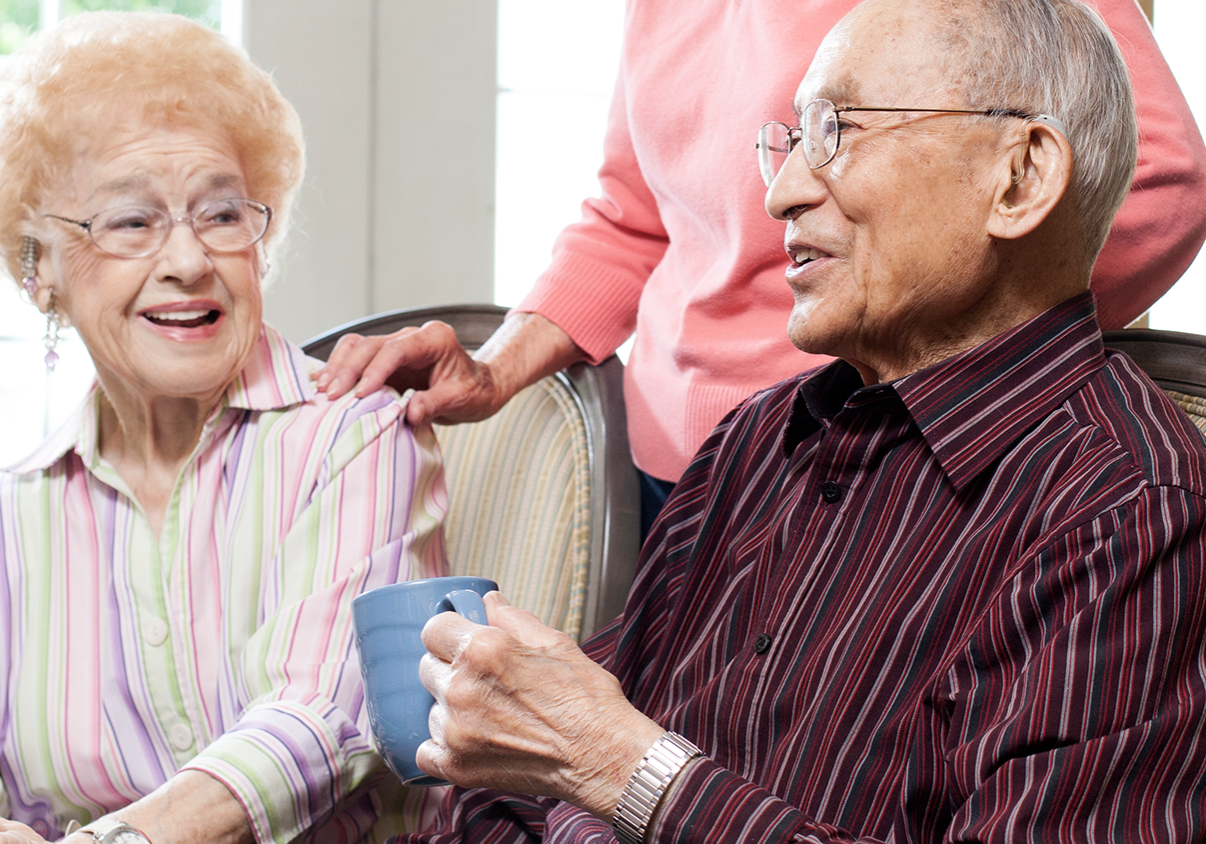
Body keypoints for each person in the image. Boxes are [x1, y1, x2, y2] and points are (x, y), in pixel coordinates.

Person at [387, 0, 1206, 841]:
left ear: (1022, 176)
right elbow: (529, 770)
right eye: (790, 138)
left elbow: (598, 754)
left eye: (838, 132)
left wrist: (628, 771)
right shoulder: (755, 446)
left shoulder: (1128, 511)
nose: (776, 195)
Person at [314, 0, 1206, 536]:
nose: (781, 191)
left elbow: (1161, 181)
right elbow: (630, 214)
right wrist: (497, 368)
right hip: (671, 458)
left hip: (866, 448)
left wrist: (934, 350)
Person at [0, 13, 447, 844]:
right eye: (131, 221)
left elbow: (321, 720)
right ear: (41, 272)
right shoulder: (15, 508)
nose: (189, 260)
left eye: (221, 214)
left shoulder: (355, 437)